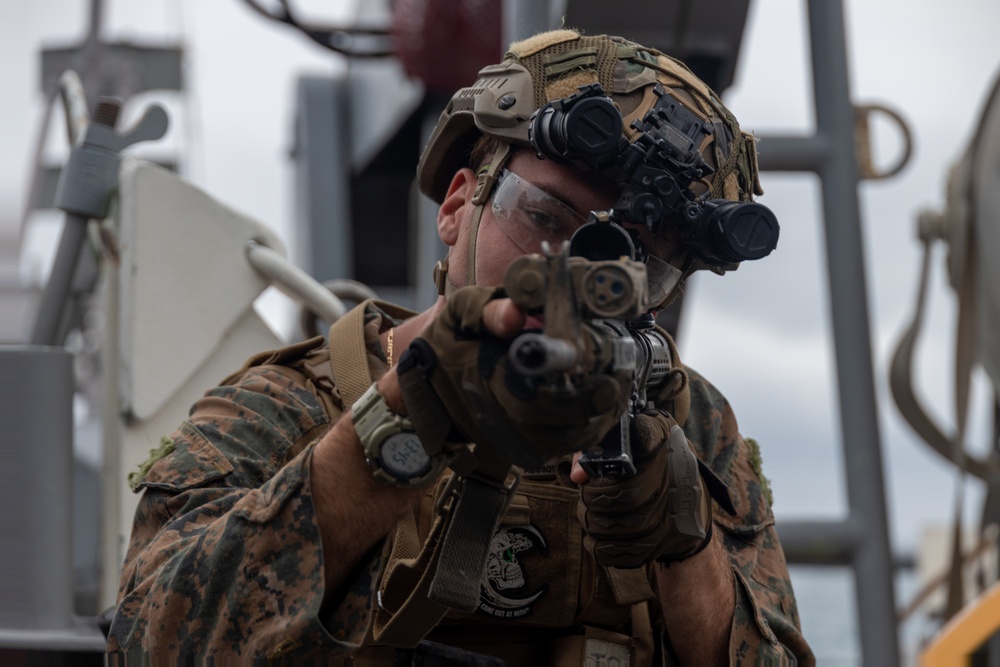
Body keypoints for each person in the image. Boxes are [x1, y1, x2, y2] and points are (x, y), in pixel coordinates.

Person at [107, 29, 814, 665]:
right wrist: (400, 420)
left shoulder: (692, 428)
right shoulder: (288, 408)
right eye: (545, 217)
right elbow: (150, 645)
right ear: (456, 206)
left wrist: (687, 551)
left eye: (638, 264)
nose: (570, 268)